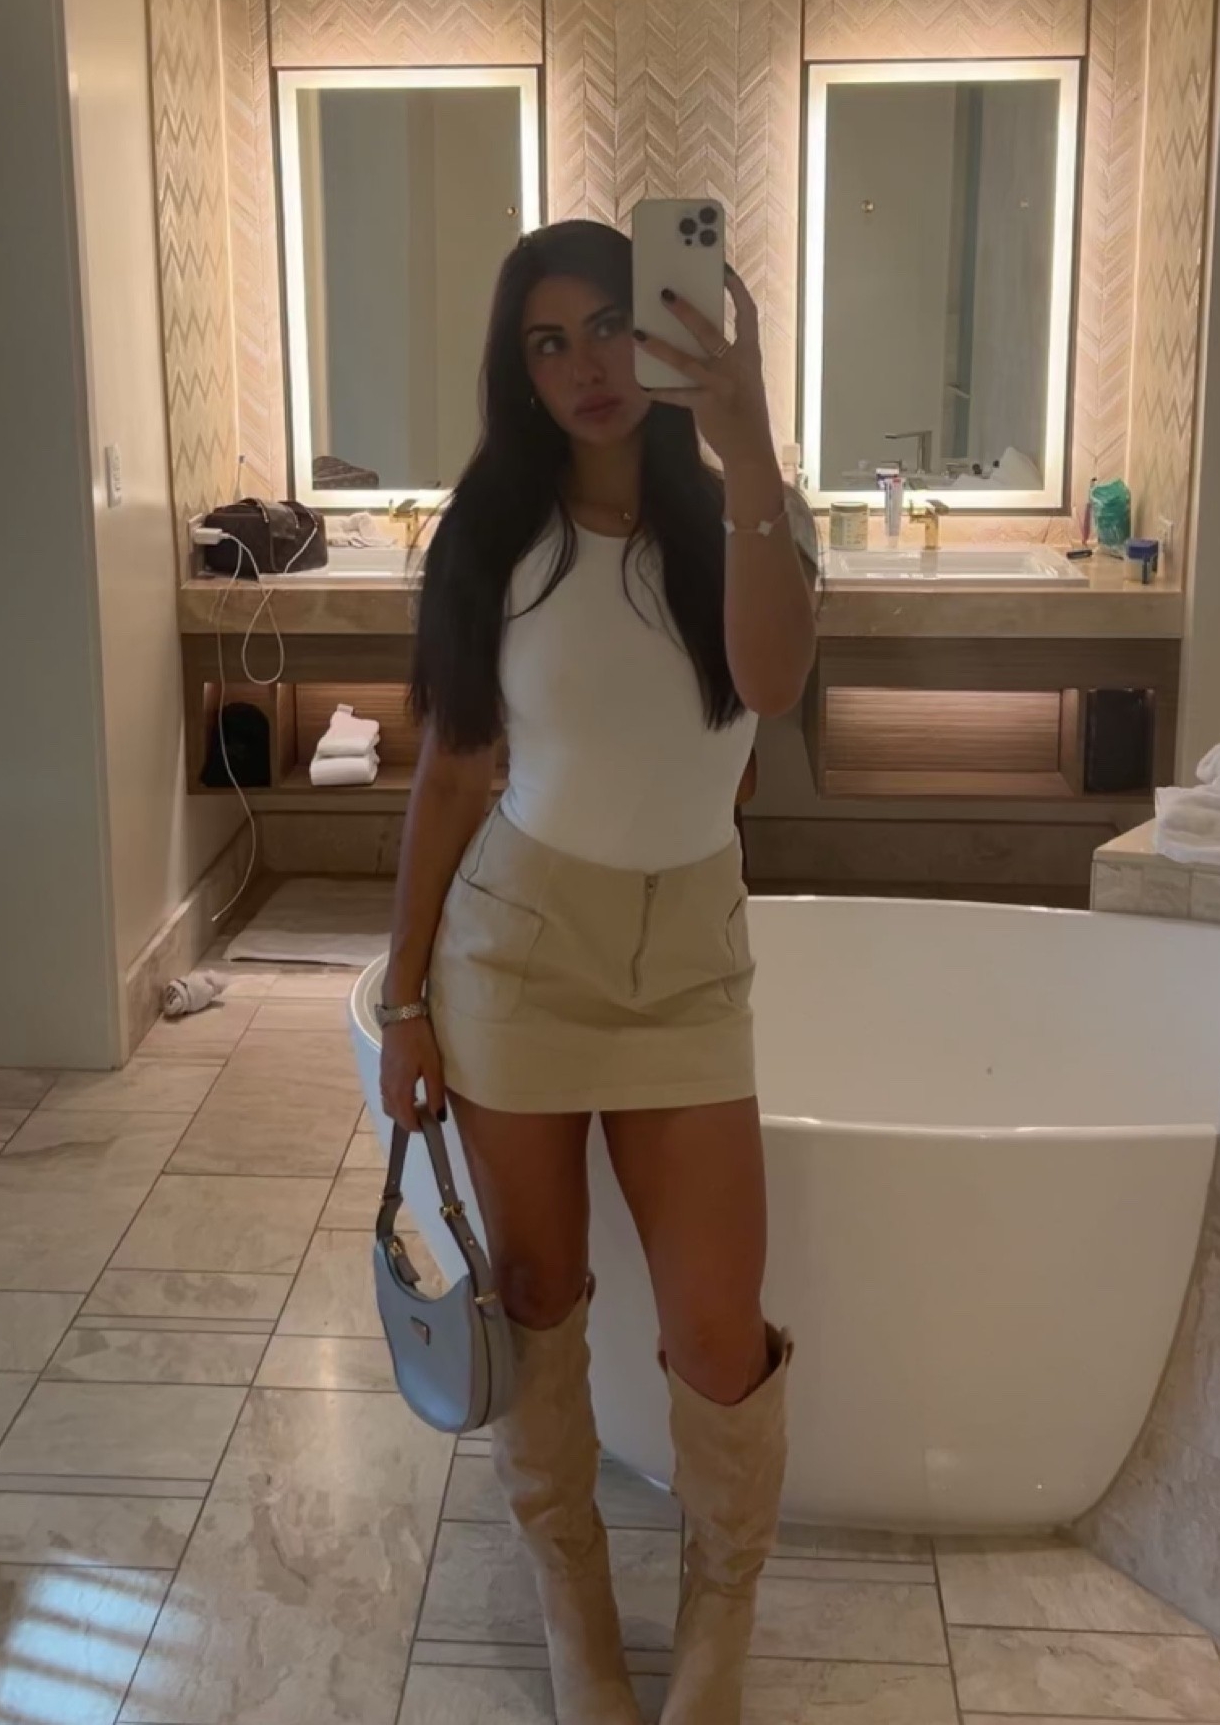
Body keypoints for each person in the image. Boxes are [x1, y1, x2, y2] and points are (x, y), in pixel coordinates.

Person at [379, 219, 819, 1725]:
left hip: (688, 960)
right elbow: (453, 773)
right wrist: (402, 996)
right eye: (547, 342)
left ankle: (717, 1620)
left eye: (611, 327)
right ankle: (569, 1595)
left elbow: (770, 686)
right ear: (520, 371)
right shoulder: (491, 535)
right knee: (537, 1290)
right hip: (518, 950)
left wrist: (749, 452)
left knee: (717, 1332)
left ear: (668, 329)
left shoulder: (746, 514)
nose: (586, 367)